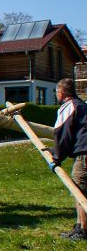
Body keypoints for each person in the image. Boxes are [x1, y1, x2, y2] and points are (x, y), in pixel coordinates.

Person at [50, 78, 87, 240]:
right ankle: (79, 225)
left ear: (61, 93)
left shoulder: (68, 106)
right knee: (80, 188)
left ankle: (83, 231)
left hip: (84, 153)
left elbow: (63, 135)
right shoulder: (83, 106)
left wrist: (56, 158)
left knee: (79, 189)